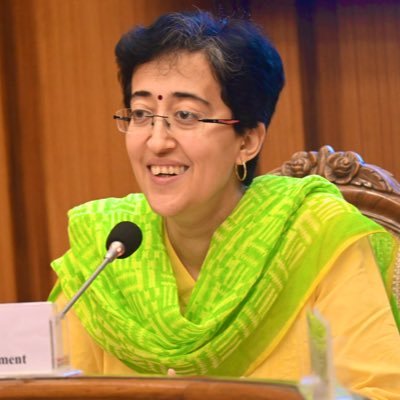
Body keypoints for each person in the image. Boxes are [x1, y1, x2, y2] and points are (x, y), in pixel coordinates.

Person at [49, 10, 400, 399]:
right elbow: (53, 388)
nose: (157, 141)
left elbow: (379, 392)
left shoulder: (312, 235)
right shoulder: (105, 248)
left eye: (186, 115)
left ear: (247, 141)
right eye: (143, 114)